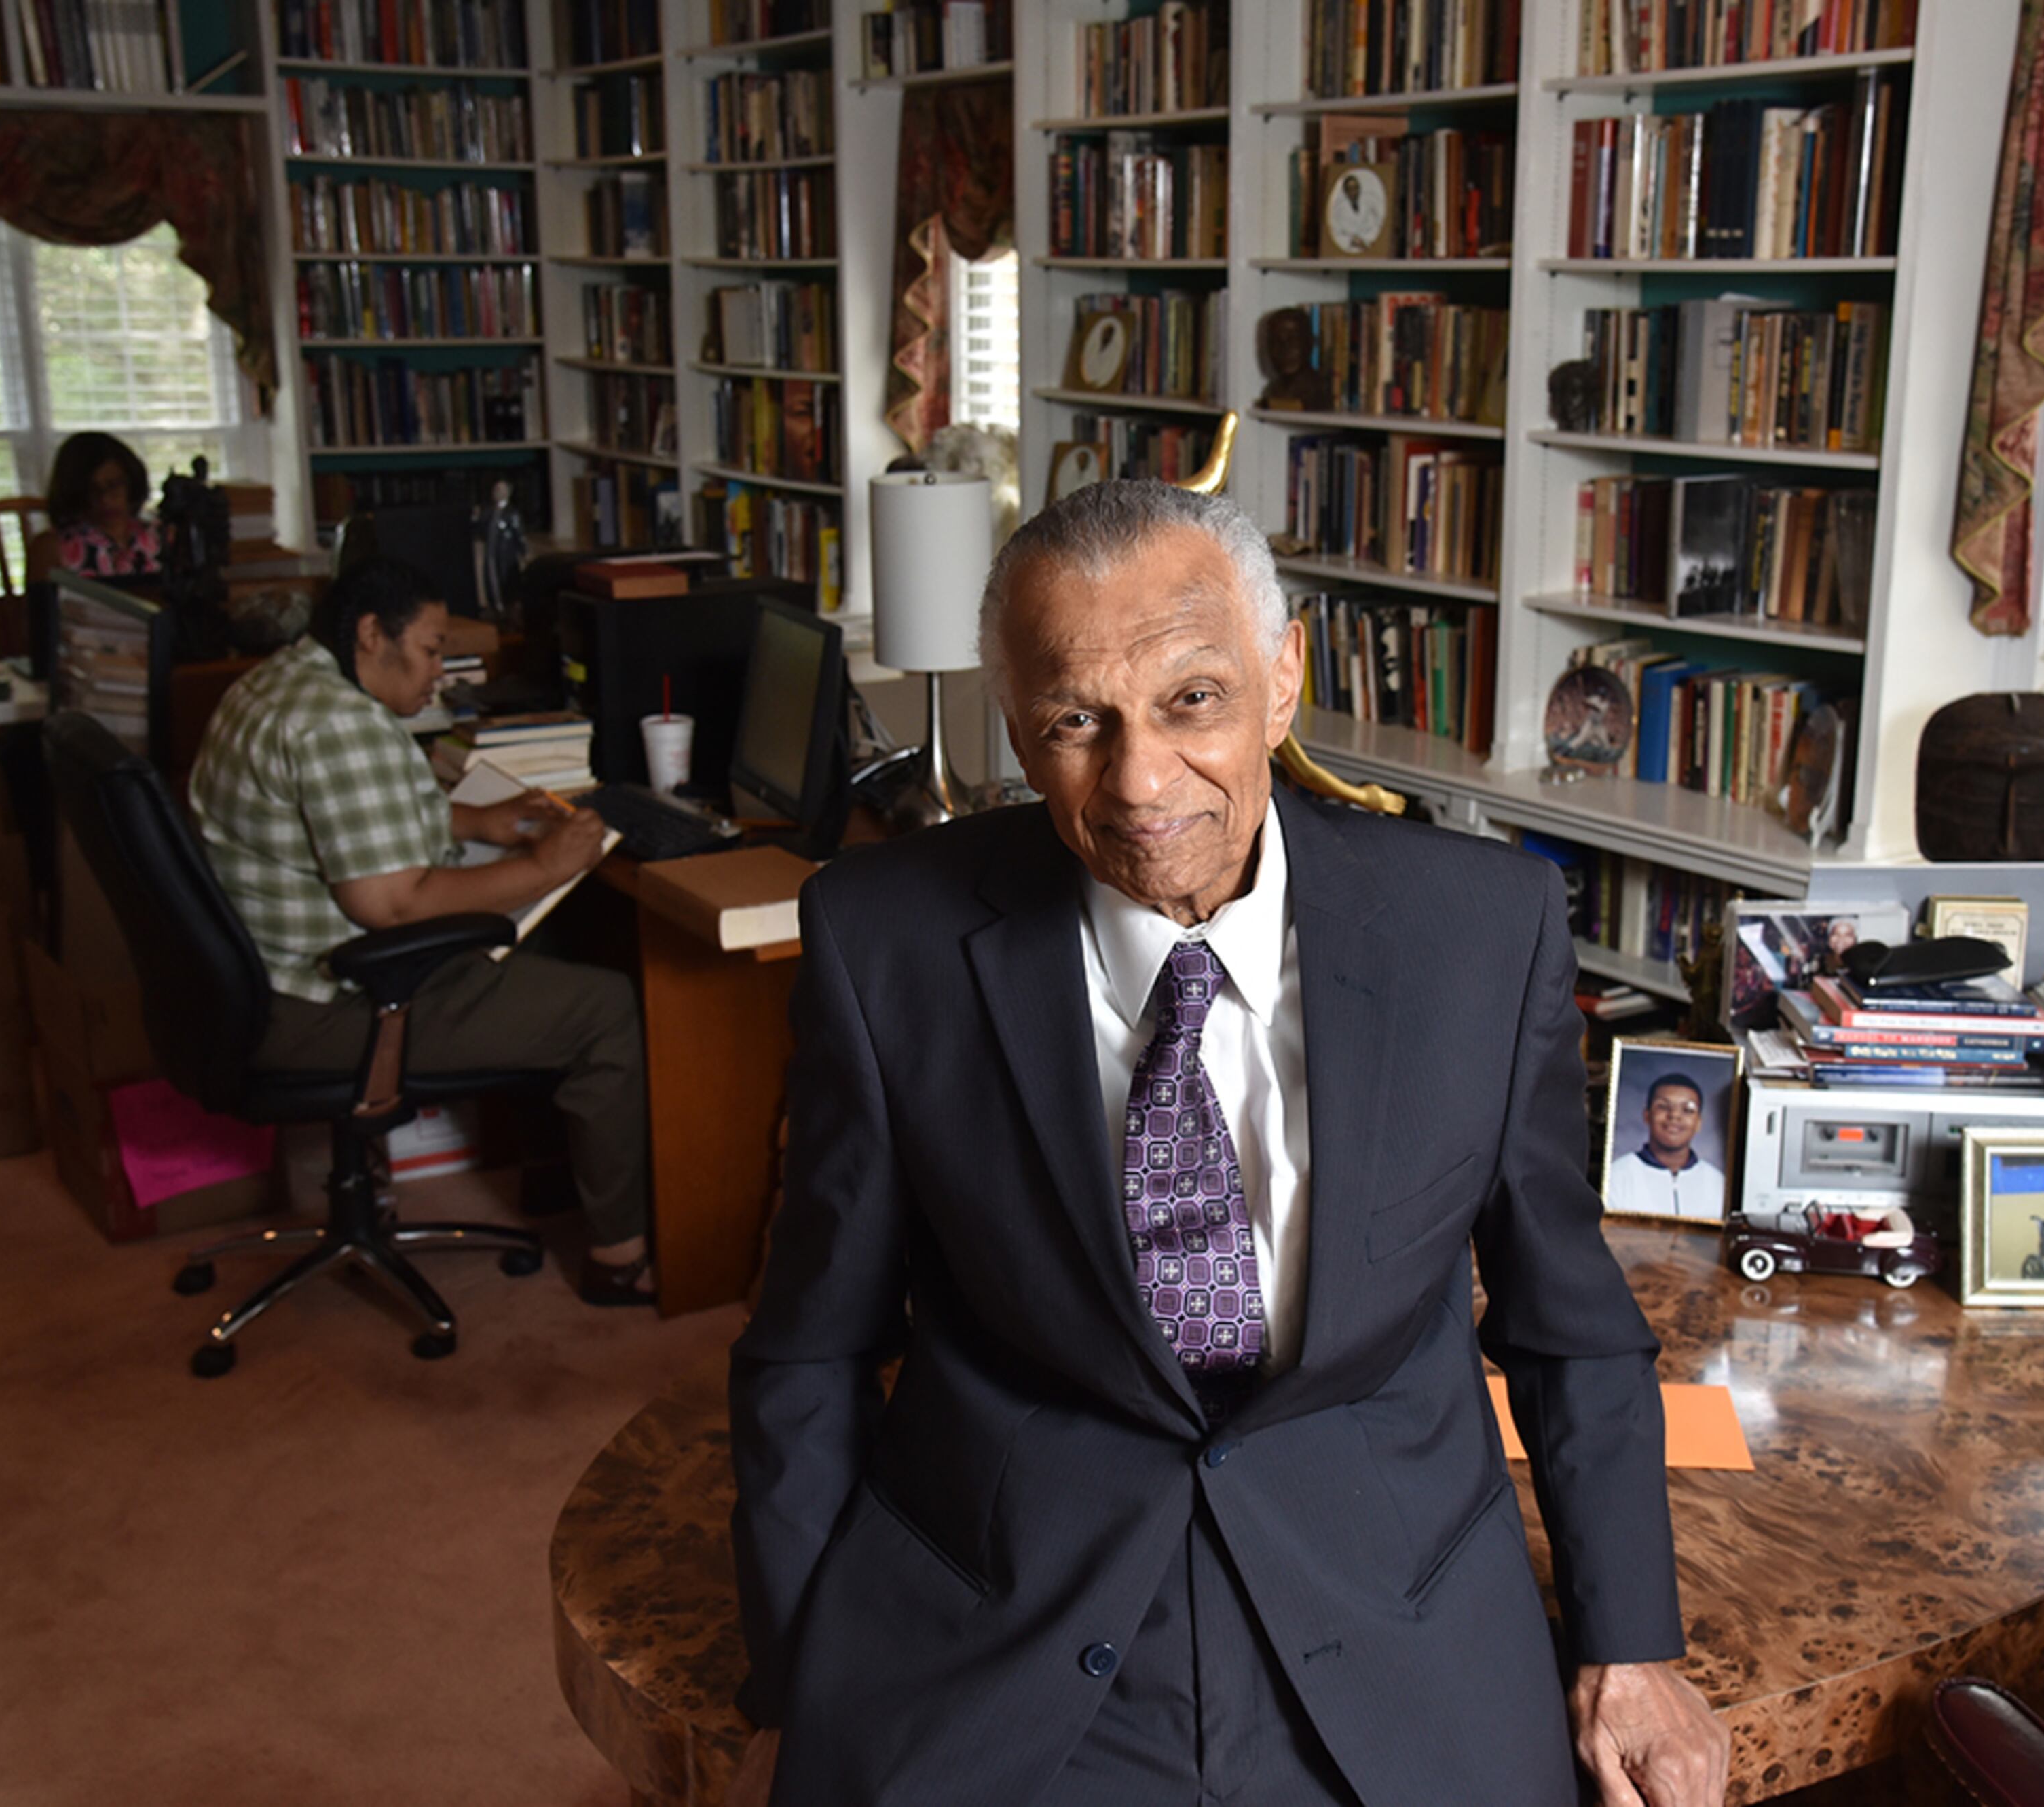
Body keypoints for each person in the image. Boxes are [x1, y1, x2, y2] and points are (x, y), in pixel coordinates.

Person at [728, 481, 1727, 1807]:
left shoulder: (1483, 930)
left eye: (1192, 699)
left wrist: (1630, 1641)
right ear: (1017, 731)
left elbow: (1567, 1321)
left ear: (1282, 674)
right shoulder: (882, 940)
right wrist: (801, 1675)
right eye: (1074, 720)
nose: (1139, 780)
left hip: (1395, 1605)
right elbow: (813, 1348)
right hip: (1009, 1615)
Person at [187, 559, 656, 1305]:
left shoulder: (284, 682)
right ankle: (620, 1258)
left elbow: (341, 818)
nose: (441, 671)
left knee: (560, 951)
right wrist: (543, 863)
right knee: (606, 1011)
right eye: (434, 650)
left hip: (257, 984)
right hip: (337, 1003)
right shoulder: (339, 723)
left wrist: (475, 822)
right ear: (373, 634)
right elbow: (395, 905)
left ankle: (554, 1182)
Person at [1602, 1071, 1729, 1223]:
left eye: (1687, 1110)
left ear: (1699, 1123)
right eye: (1663, 1106)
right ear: (1647, 1116)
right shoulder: (1616, 1177)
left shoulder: (1718, 1183)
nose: (1675, 1115)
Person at [44, 431, 164, 577]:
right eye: (92, 489)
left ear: (132, 482)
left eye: (114, 485)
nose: (105, 498)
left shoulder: (162, 537)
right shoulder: (52, 548)